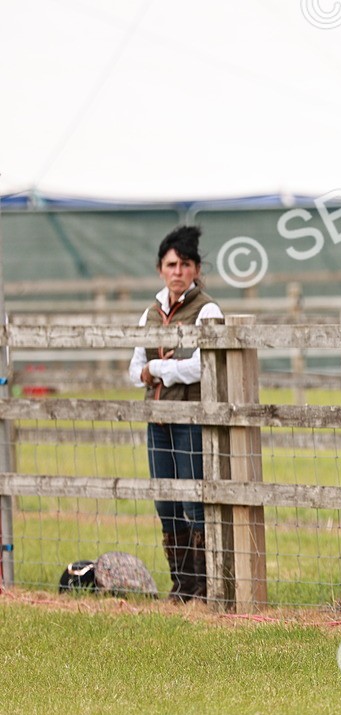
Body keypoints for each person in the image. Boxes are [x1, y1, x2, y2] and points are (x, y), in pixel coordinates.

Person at [128, 226, 223, 598]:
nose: (178, 271)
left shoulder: (207, 310)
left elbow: (203, 366)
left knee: (193, 500)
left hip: (191, 416)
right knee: (166, 500)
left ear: (196, 269)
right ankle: (180, 584)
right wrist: (148, 371)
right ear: (160, 269)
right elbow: (134, 367)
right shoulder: (149, 315)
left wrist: (160, 370)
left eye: (185, 264)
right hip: (158, 417)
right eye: (171, 264)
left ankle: (204, 584)